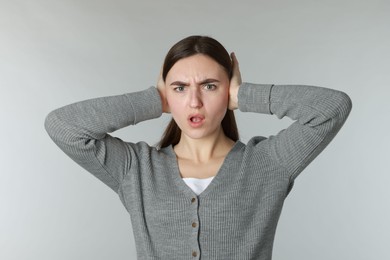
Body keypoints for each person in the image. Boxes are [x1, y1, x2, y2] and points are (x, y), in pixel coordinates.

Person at [45, 35, 352, 260]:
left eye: (209, 86)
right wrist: (153, 100)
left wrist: (245, 95)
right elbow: (63, 127)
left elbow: (332, 108)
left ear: (227, 90)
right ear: (168, 93)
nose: (194, 101)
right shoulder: (136, 168)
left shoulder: (267, 164)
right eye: (179, 88)